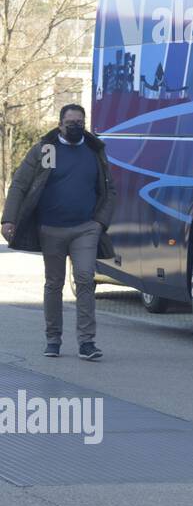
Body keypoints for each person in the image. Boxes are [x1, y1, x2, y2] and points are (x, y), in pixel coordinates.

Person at [0, 105, 117, 361]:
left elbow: (109, 190)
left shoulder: (94, 151)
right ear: (60, 123)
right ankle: (53, 339)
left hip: (86, 228)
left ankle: (87, 342)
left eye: (80, 121)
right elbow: (20, 183)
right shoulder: (47, 150)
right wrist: (8, 219)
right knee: (54, 283)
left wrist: (100, 223)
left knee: (85, 279)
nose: (76, 126)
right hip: (51, 228)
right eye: (70, 121)